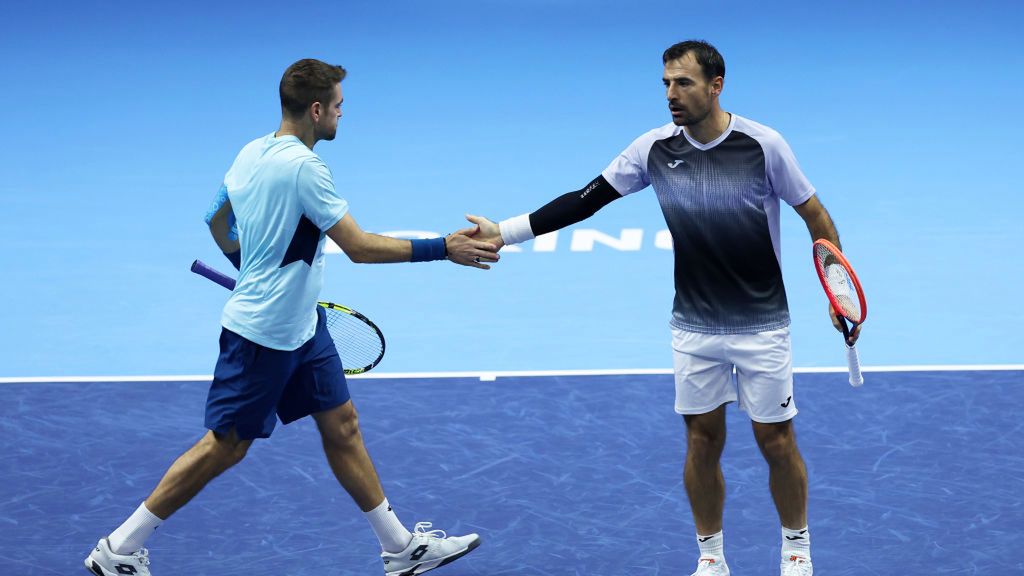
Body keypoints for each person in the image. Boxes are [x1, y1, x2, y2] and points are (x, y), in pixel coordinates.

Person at [84, 58, 496, 576]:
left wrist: (251, 264)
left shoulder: (250, 152)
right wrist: (443, 248)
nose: (343, 116)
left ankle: (399, 549)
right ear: (318, 109)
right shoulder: (307, 169)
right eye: (340, 107)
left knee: (342, 425)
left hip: (304, 325)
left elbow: (216, 218)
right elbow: (361, 247)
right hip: (266, 334)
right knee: (226, 447)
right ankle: (118, 549)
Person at [465, 40, 859, 576]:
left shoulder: (763, 145)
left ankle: (796, 548)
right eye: (667, 84)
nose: (672, 95)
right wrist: (505, 233)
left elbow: (815, 214)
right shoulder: (653, 149)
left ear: (716, 85)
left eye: (684, 83)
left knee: (776, 439)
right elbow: (587, 198)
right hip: (693, 325)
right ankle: (711, 556)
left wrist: (836, 291)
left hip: (761, 323)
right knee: (702, 440)